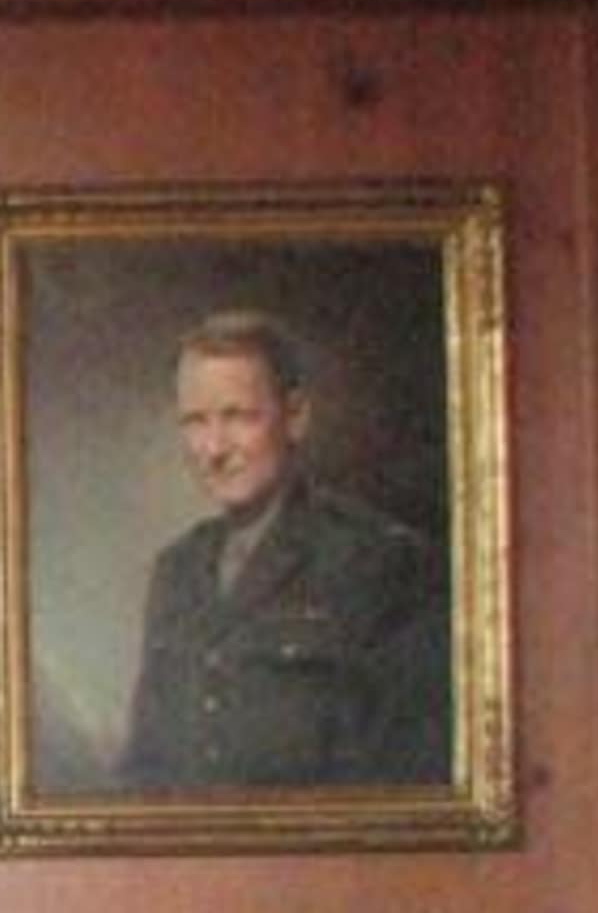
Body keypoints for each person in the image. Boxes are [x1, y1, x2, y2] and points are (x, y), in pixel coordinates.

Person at [117, 310, 450, 791]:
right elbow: (144, 768)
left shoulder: (378, 563)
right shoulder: (177, 570)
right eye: (195, 421)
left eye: (238, 417)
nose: (215, 448)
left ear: (295, 417)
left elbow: (406, 777)